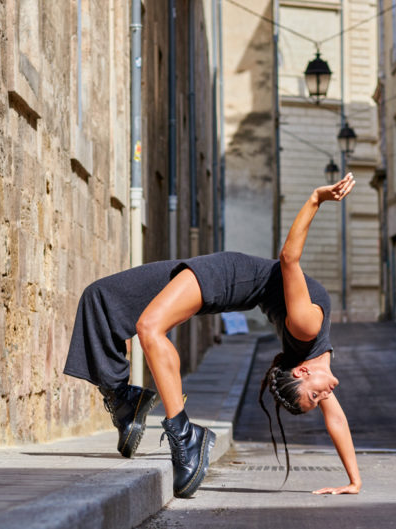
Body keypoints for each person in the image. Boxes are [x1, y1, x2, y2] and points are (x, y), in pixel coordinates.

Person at [63, 173, 361, 498]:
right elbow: (288, 258)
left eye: (315, 399)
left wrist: (354, 482)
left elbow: (337, 423)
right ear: (302, 371)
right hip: (223, 275)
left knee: (147, 325)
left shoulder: (307, 359)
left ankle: (163, 423)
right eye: (317, 397)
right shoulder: (308, 328)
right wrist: (316, 199)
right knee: (102, 297)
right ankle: (136, 407)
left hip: (221, 281)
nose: (324, 398)